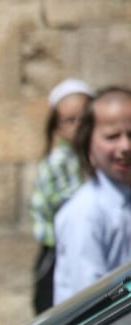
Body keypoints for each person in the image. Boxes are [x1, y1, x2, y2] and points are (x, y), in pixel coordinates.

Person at [52, 86, 131, 305]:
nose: (125, 146)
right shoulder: (85, 213)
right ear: (88, 144)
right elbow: (92, 303)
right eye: (112, 137)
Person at [29, 78, 93, 313]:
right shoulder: (59, 163)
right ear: (57, 126)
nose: (78, 126)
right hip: (58, 252)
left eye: (84, 119)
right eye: (70, 120)